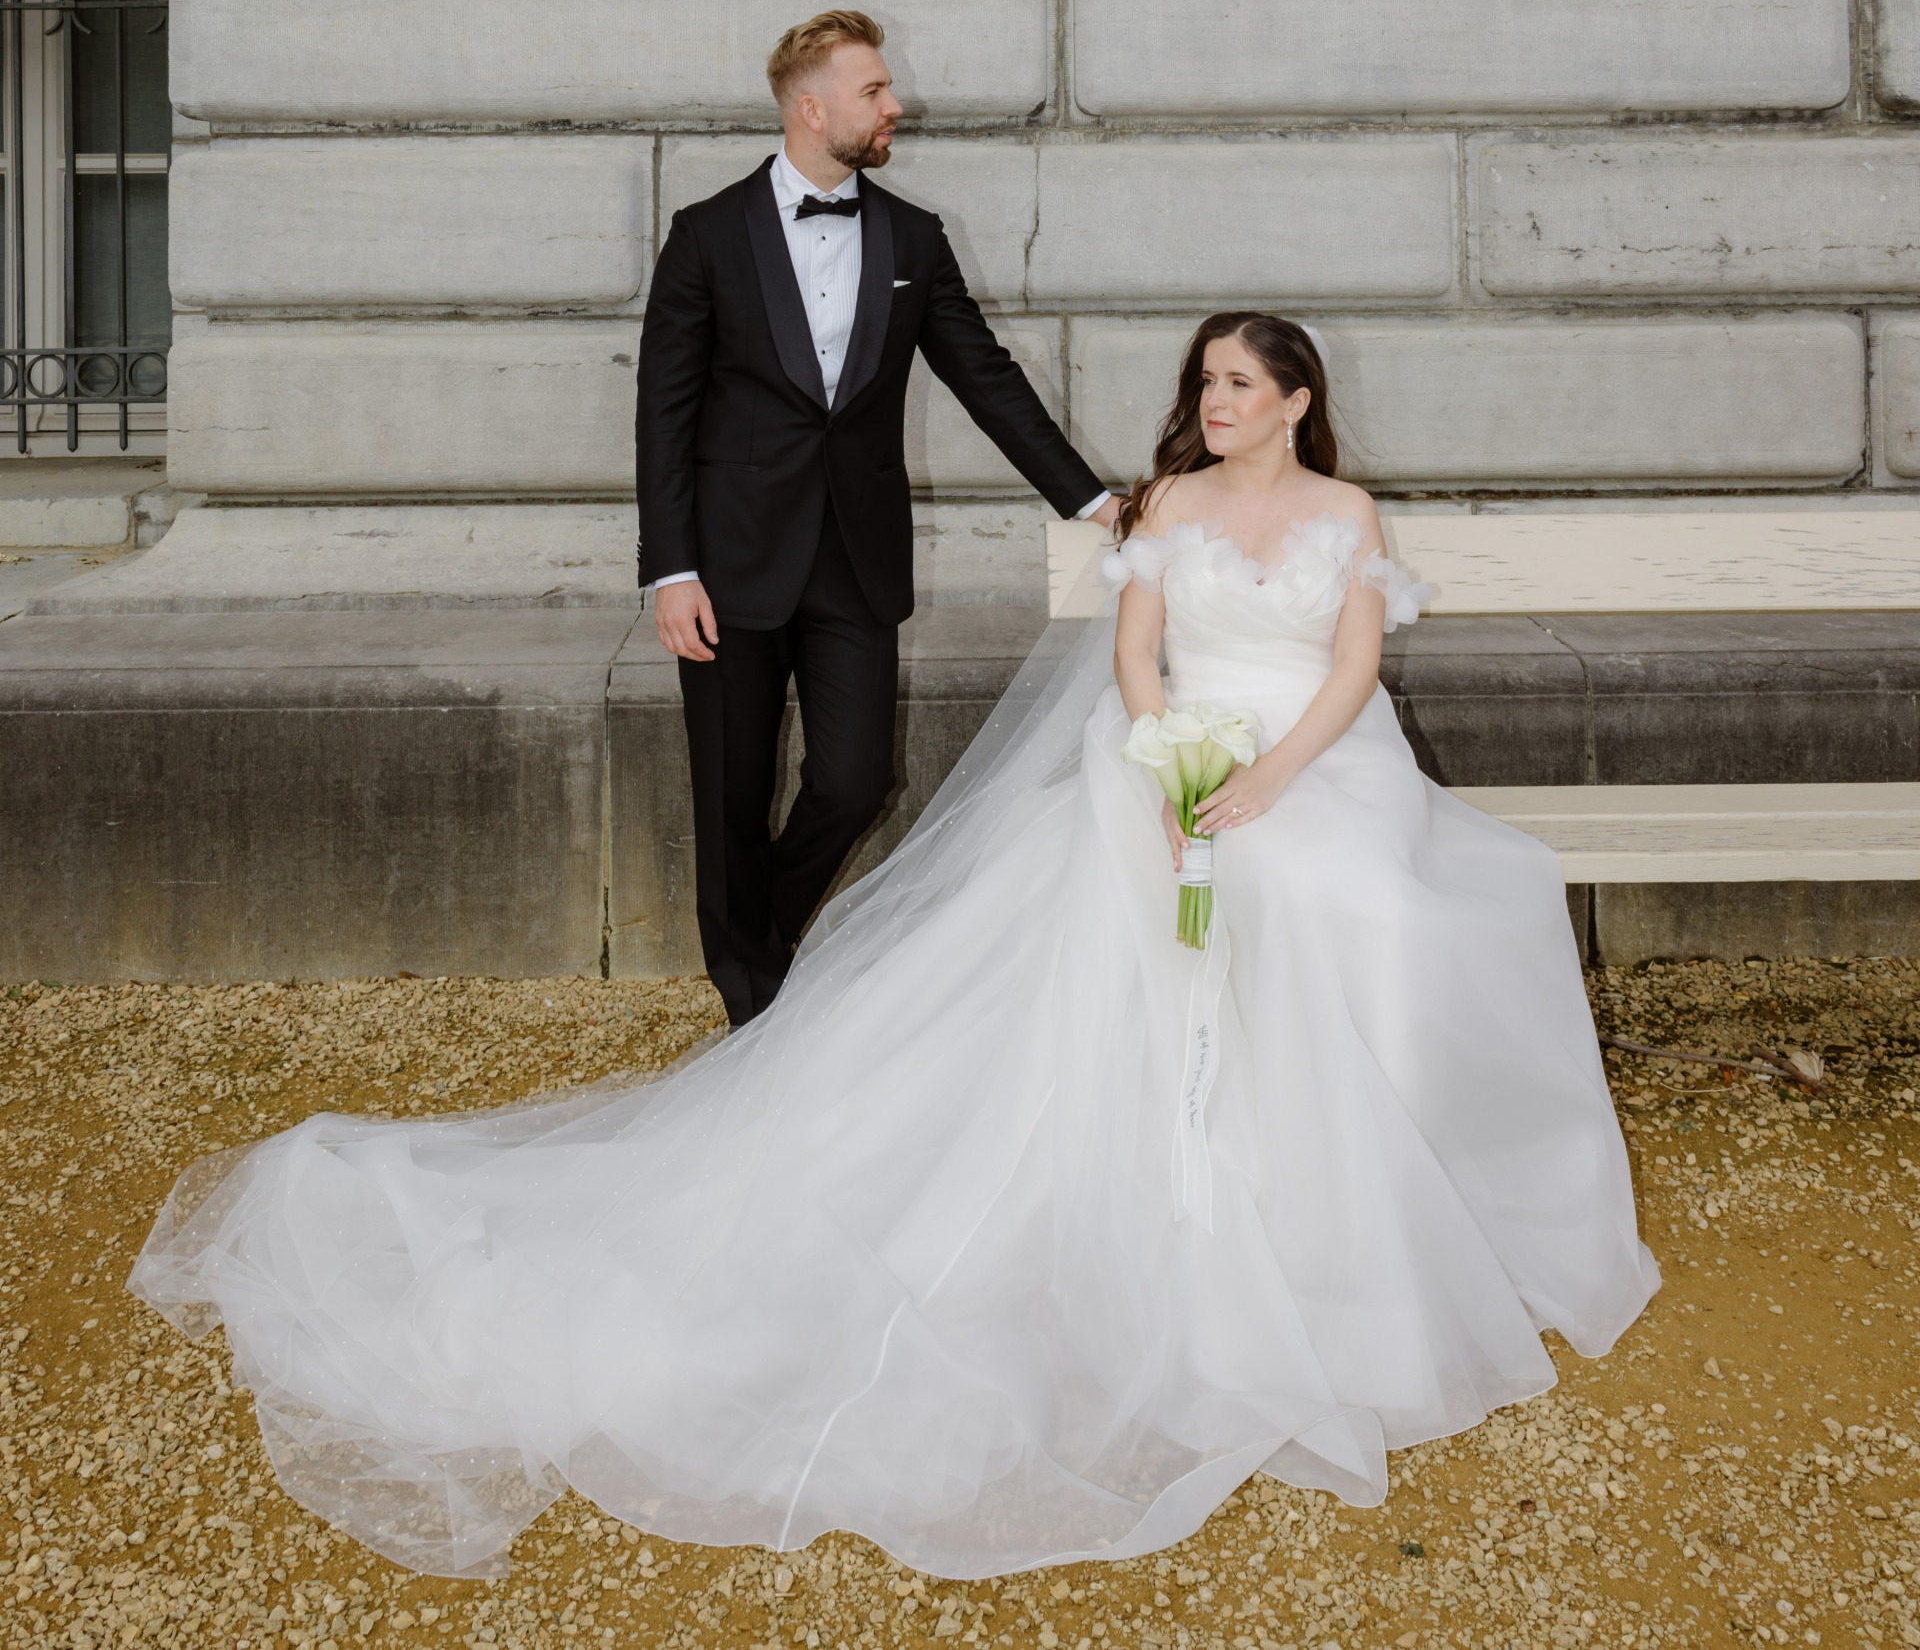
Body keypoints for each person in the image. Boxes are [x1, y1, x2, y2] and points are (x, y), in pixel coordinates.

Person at [131, 311, 1658, 1588]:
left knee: (1375, 901)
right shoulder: (1166, 509)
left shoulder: (1345, 513)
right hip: (1176, 757)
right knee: (1187, 897)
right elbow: (1136, 660)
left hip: (1319, 761)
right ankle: (1181, 1196)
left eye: (1240, 383)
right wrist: (1176, 763)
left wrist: (1269, 776)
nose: (1214, 402)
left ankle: (1355, 1204)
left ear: (1297, 399)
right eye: (1205, 381)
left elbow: (1353, 666)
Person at [636, 7, 1120, 1026]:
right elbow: (663, 415)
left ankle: (756, 933)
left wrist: (1088, 499)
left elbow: (987, 378)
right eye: (875, 90)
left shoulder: (913, 237)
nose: (896, 104)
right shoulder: (706, 235)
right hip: (727, 564)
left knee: (855, 781)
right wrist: (670, 568)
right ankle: (754, 1011)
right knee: (730, 790)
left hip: (855, 559)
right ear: (812, 110)